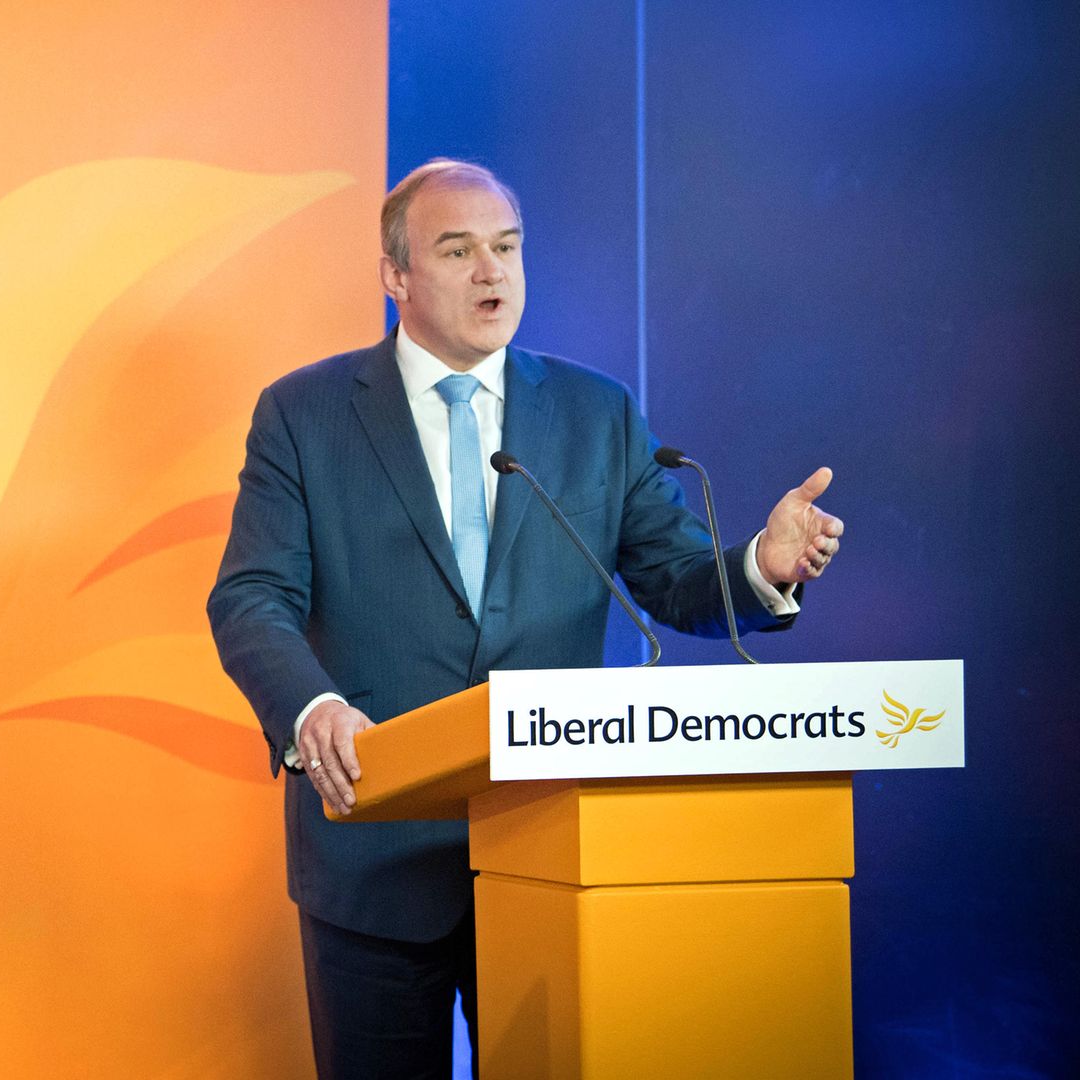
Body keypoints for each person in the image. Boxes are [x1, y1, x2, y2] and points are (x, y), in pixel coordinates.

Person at [206, 158, 844, 1077]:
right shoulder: (305, 415)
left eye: (506, 248)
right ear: (396, 275)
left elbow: (671, 580)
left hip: (554, 847)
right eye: (457, 251)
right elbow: (251, 596)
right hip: (374, 859)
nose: (491, 273)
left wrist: (759, 565)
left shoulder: (595, 413)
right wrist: (315, 713)